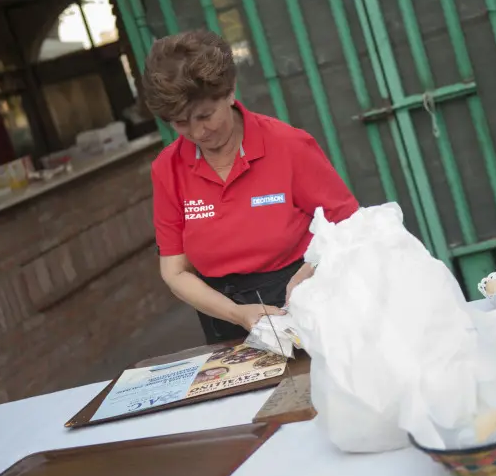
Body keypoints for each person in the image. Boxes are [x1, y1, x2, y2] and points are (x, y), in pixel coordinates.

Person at [144, 29, 358, 344]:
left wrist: (313, 270)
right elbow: (174, 272)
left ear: (230, 92)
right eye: (180, 122)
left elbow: (351, 227)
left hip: (301, 305)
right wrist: (236, 314)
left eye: (205, 116)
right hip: (222, 317)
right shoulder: (167, 168)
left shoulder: (288, 146)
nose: (198, 132)